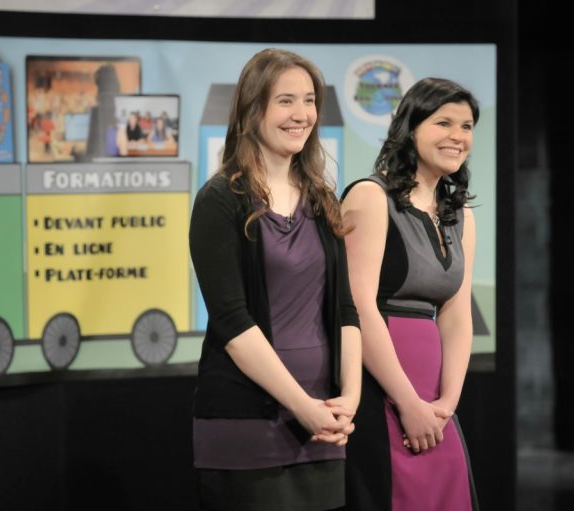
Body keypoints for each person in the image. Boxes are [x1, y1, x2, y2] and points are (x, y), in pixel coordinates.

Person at [189, 48, 362, 511]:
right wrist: (303, 407)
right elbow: (232, 323)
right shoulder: (220, 200)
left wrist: (349, 397)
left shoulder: (323, 199)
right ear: (253, 108)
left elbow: (345, 308)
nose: (301, 114)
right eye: (286, 101)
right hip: (249, 426)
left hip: (325, 424)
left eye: (309, 101)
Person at [341, 77, 481, 511]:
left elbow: (458, 315)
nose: (458, 137)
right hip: (378, 386)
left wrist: (445, 404)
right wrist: (407, 402)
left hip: (435, 398)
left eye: (467, 126)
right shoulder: (370, 196)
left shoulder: (461, 218)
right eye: (444, 123)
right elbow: (358, 304)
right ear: (411, 127)